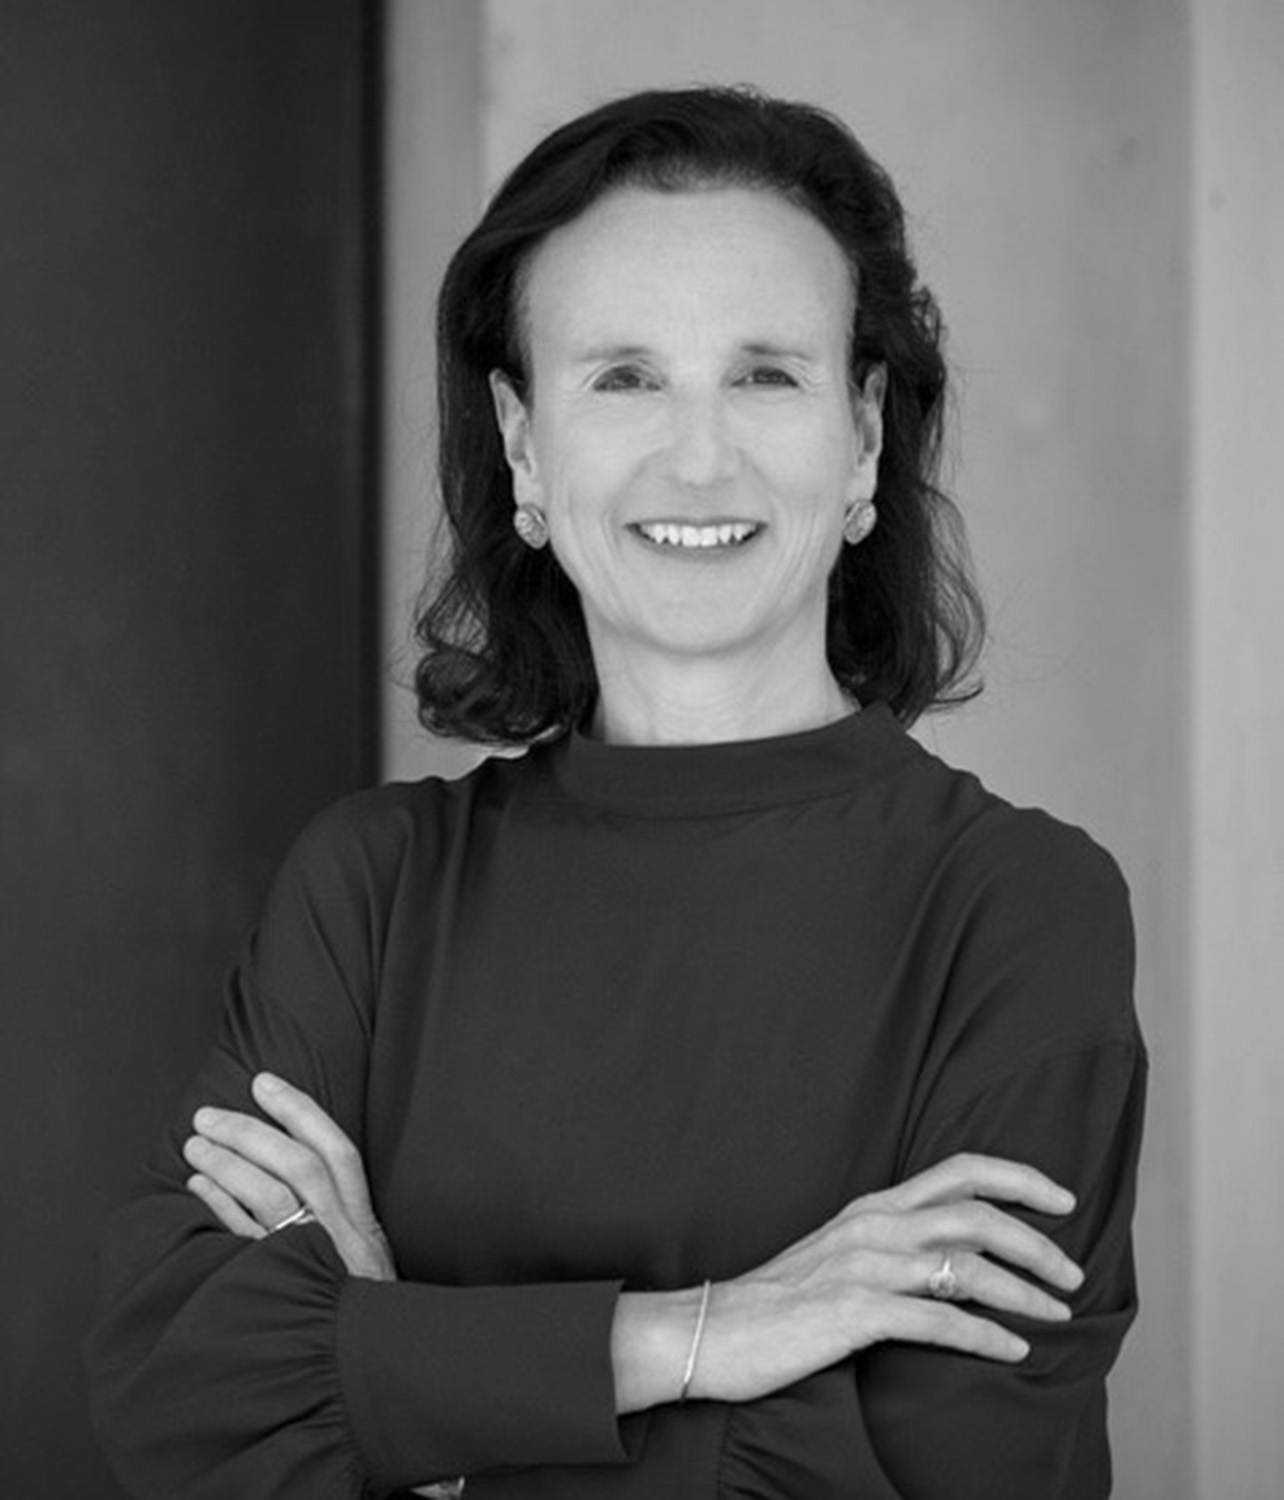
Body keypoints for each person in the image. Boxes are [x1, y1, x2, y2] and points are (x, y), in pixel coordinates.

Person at [86, 86, 1146, 1498]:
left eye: (766, 375)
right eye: (624, 377)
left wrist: (417, 1401)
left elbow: (955, 1469)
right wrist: (705, 1336)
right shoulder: (373, 888)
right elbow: (185, 1400)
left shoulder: (1015, 909)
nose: (698, 457)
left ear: (864, 437)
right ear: (524, 444)